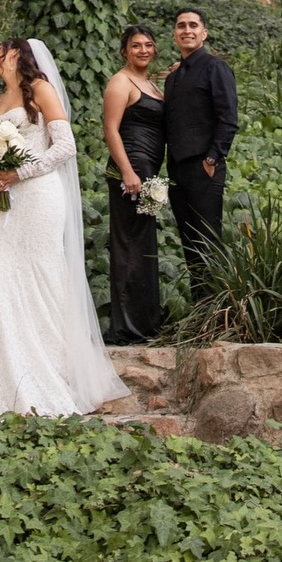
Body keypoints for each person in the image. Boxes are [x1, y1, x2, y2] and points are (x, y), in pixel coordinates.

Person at [0, 38, 129, 419]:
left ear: (13, 55)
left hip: (37, 197)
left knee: (42, 280)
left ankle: (53, 377)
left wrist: (20, 172)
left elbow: (64, 147)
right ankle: (3, 386)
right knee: (0, 281)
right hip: (2, 200)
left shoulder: (40, 88)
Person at [163, 6, 238, 299]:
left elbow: (228, 116)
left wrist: (212, 158)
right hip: (178, 169)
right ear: (174, 34)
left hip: (204, 166)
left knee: (208, 241)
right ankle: (201, 313)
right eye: (181, 25)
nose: (187, 30)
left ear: (203, 33)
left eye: (193, 25)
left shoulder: (215, 67)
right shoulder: (173, 77)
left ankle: (219, 314)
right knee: (190, 243)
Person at [102, 23, 165, 345]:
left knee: (144, 246)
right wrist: (127, 171)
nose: (143, 50)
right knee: (129, 246)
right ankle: (127, 327)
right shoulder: (120, 82)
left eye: (148, 45)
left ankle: (146, 323)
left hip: (150, 171)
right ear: (125, 51)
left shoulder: (151, 84)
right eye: (136, 45)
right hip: (131, 172)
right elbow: (111, 130)